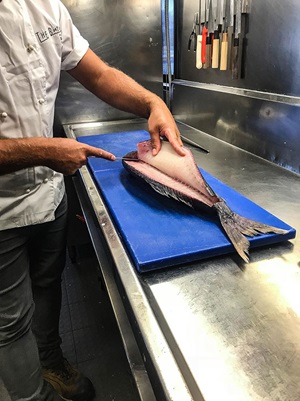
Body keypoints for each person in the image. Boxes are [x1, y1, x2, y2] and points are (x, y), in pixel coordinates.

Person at [0, 1, 184, 401]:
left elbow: (99, 74)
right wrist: (45, 151)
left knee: (48, 283)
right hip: (0, 209)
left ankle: (50, 361)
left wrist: (153, 103)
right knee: (9, 323)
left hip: (49, 191)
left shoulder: (45, 7)